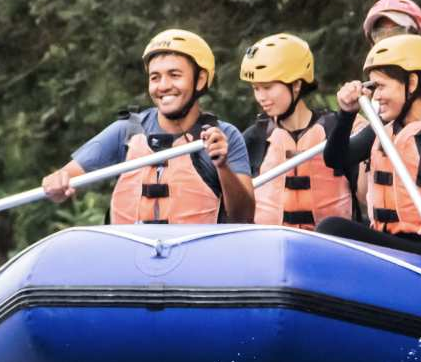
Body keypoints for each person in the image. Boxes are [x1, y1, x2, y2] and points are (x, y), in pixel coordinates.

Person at [42, 29, 254, 224]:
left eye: (174, 75)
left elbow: (243, 216)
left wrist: (222, 166)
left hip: (195, 259)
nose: (162, 86)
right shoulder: (127, 131)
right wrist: (57, 184)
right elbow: (67, 176)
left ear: (200, 80)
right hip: (131, 259)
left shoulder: (225, 136)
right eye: (155, 77)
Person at [318, 35, 421, 262]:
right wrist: (346, 114)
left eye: (381, 87)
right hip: (393, 243)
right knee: (330, 227)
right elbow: (336, 159)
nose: (377, 96)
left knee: (331, 228)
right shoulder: (382, 129)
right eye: (373, 88)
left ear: (411, 83)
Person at [240, 33, 354, 230]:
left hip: (331, 249)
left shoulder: (338, 128)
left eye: (267, 87)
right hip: (272, 248)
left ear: (296, 84)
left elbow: (364, 194)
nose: (261, 97)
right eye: (256, 88)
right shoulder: (254, 138)